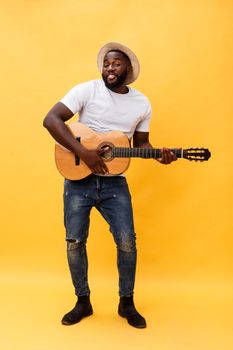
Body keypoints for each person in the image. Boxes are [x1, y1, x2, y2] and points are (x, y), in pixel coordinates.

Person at [43, 42, 177, 329]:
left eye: (116, 64)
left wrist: (161, 156)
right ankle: (83, 301)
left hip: (115, 183)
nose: (110, 68)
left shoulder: (142, 103)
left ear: (128, 69)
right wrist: (84, 153)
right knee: (75, 242)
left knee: (127, 243)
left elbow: (141, 145)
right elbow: (51, 120)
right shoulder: (86, 90)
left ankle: (126, 302)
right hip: (78, 180)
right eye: (106, 63)